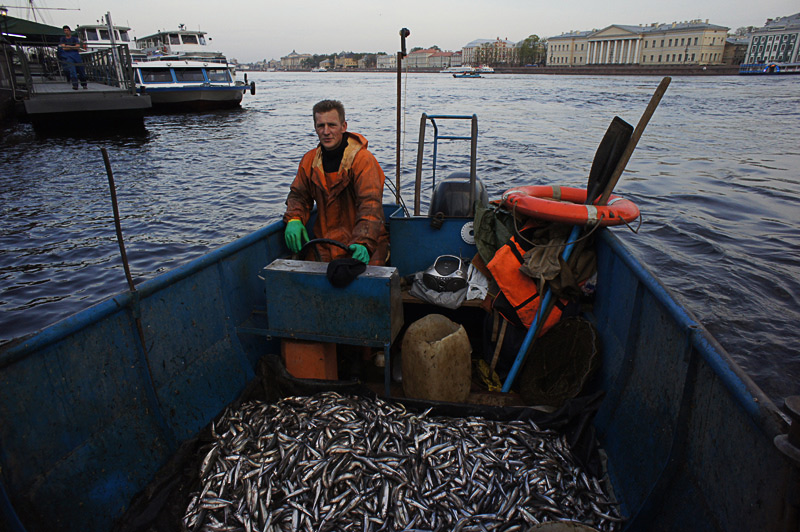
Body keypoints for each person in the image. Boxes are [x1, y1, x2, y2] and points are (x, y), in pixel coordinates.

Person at [283, 99, 389, 265]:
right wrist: (294, 219)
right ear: (315, 128)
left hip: (363, 245)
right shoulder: (309, 161)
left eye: (331, 125)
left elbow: (370, 205)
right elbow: (299, 196)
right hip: (324, 245)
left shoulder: (363, 161)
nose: (326, 131)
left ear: (343, 126)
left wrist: (363, 242)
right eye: (320, 126)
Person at [58, 25, 87, 90]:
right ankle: (75, 85)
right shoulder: (62, 39)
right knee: (72, 71)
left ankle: (84, 84)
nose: (66, 32)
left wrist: (68, 46)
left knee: (81, 70)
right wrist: (73, 47)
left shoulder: (75, 38)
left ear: (70, 31)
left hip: (76, 56)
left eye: (67, 30)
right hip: (68, 56)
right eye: (65, 30)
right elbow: (64, 48)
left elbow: (78, 46)